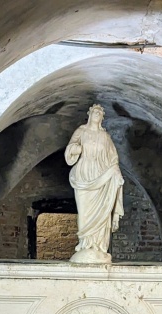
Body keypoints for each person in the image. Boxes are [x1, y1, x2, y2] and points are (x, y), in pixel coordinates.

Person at [65, 104, 124, 264]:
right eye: (94, 112)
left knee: (103, 212)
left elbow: (113, 158)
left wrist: (115, 171)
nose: (97, 114)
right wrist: (75, 149)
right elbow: (70, 149)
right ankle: (85, 244)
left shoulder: (105, 137)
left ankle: (98, 247)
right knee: (84, 213)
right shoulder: (81, 131)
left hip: (102, 175)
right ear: (89, 114)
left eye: (100, 113)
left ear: (102, 118)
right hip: (84, 175)